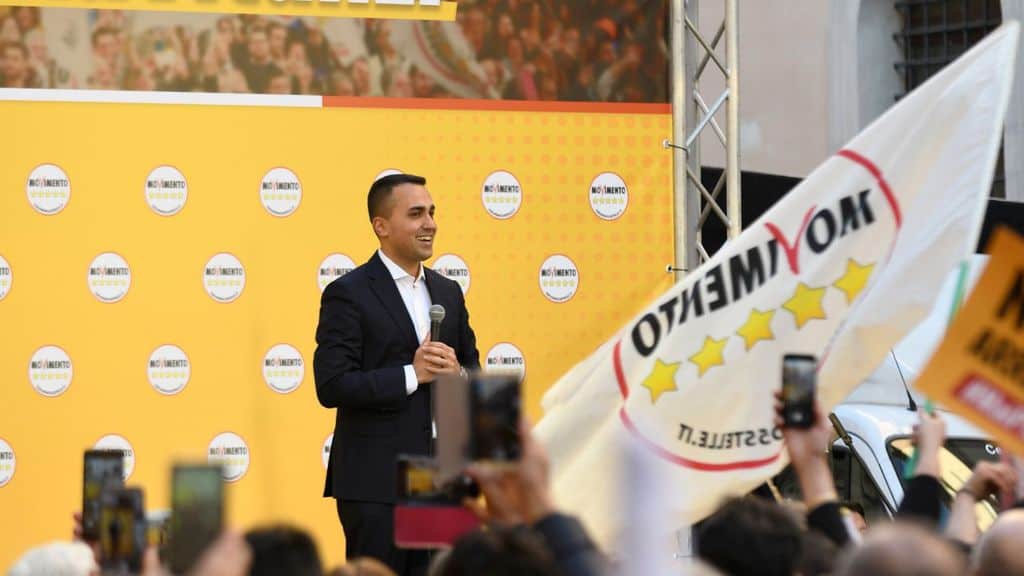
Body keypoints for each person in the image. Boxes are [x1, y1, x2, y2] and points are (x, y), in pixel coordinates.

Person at [314, 173, 480, 576]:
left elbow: (474, 376)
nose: (430, 223)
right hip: (375, 484)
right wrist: (412, 373)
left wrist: (455, 374)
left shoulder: (448, 292)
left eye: (432, 212)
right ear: (381, 226)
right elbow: (332, 384)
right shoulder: (348, 292)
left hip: (441, 480)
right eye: (416, 214)